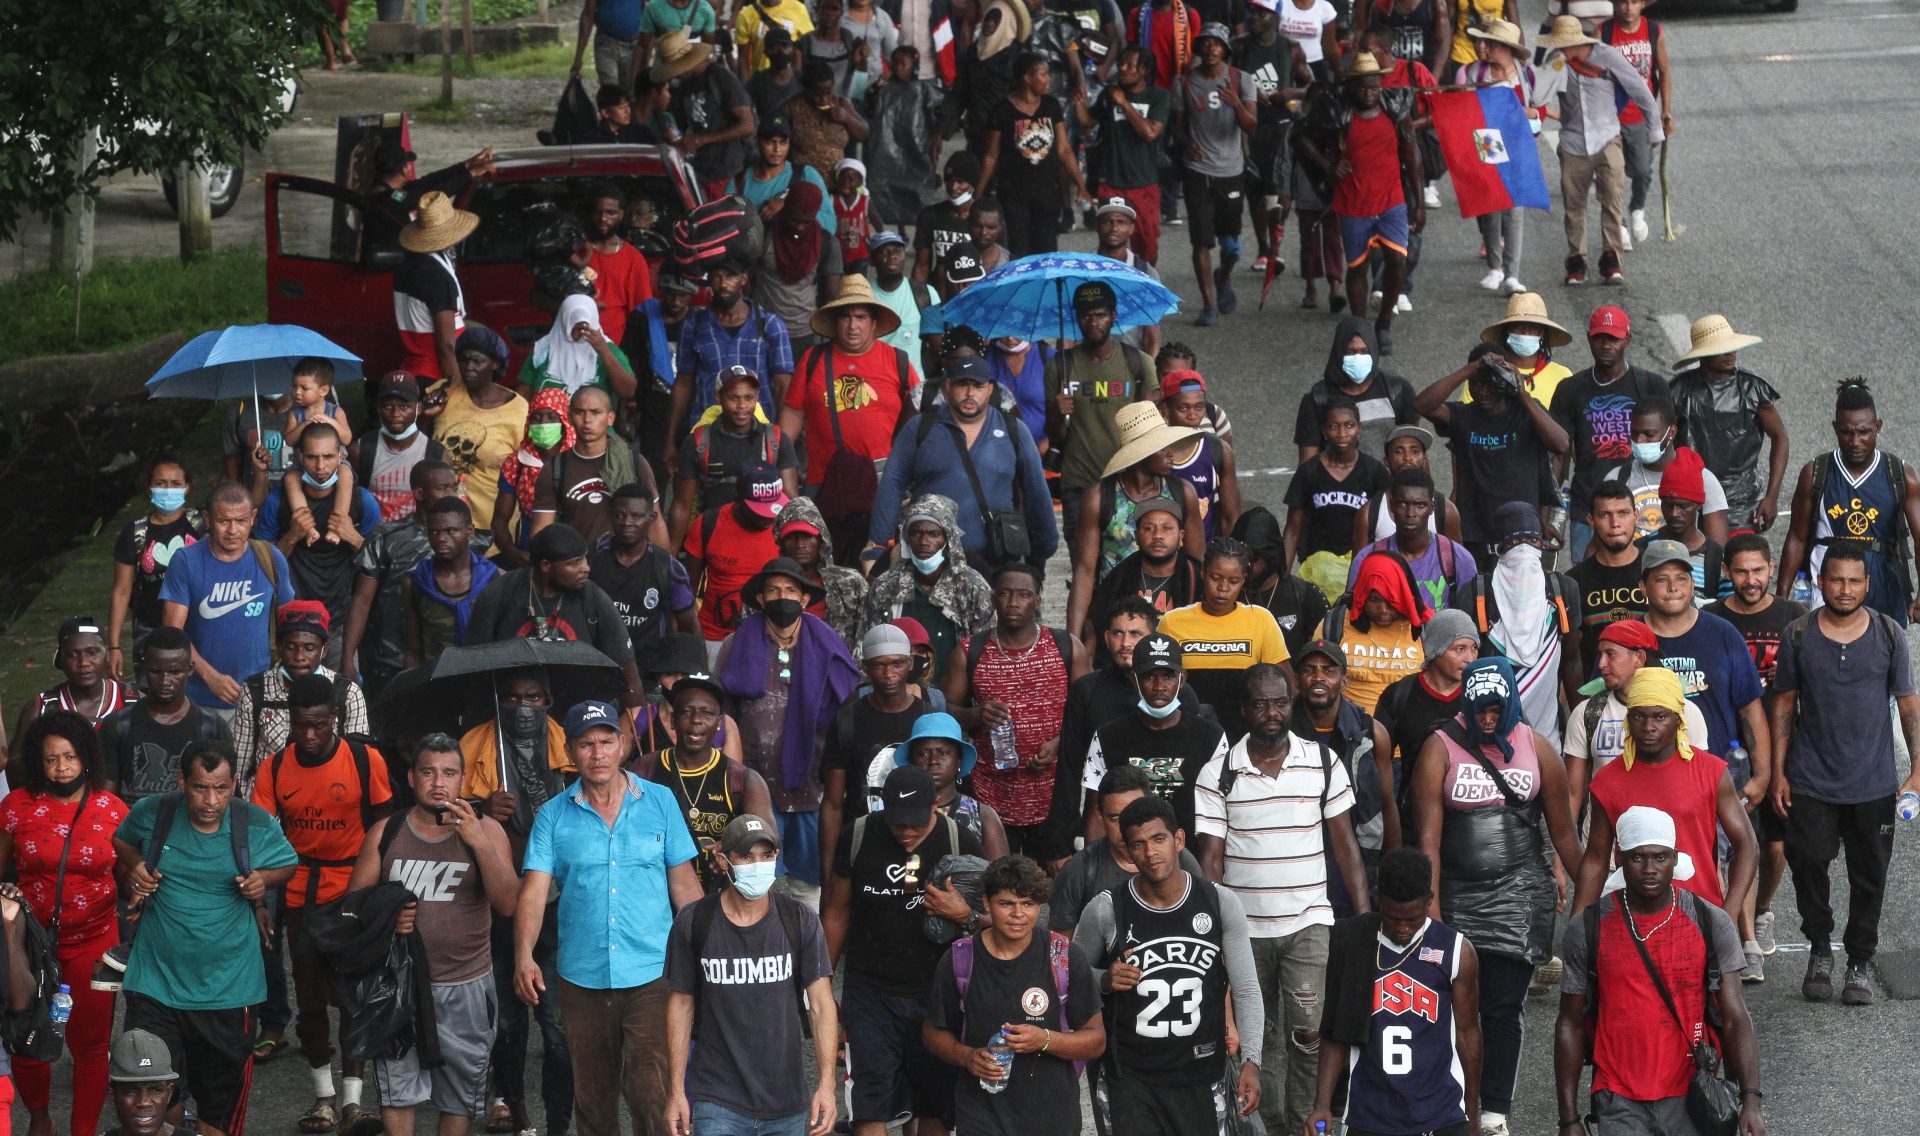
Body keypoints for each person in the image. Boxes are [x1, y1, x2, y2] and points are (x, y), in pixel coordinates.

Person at [1192, 665, 1370, 1136]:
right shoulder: (1219, 772)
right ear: (1244, 709)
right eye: (1261, 704)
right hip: (1244, 929)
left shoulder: (1323, 761)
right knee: (1260, 1037)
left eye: (1280, 703)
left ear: (1291, 705)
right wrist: (1210, 929)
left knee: (1309, 1033)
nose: (1271, 713)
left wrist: (1365, 917)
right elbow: (1210, 858)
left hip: (1309, 923)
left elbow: (1346, 847)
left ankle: (1307, 1124)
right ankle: (1268, 1128)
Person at [1410, 656, 1581, 1136]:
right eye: (1479, 709)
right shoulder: (1439, 748)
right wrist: (1434, 914)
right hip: (1458, 895)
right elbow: (1428, 841)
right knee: (1450, 1006)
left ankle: (1493, 1112)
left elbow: (1566, 837)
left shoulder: (1537, 747)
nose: (1487, 718)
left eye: (1496, 709)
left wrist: (1595, 900)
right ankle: (1453, 1101)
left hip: (1520, 893)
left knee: (1503, 1007)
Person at [514, 700, 702, 1136]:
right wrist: (524, 955)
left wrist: (702, 956)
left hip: (653, 974)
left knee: (654, 1097)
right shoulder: (552, 816)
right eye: (585, 744)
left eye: (605, 741)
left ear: (622, 745)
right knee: (593, 1100)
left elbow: (685, 887)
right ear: (569, 750)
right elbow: (534, 892)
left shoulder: (660, 801)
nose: (596, 753)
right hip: (582, 978)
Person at [113, 740, 299, 1136]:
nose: (210, 800)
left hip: (230, 992)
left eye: (221, 788)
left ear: (234, 784)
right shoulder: (155, 813)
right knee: (153, 1099)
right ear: (182, 781)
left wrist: (261, 882)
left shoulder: (254, 823)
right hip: (155, 985)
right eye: (199, 787)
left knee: (218, 1113)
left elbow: (288, 864)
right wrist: (136, 866)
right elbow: (122, 841)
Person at [347, 734, 520, 1136]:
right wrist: (387, 917)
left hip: (465, 986)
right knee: (398, 1091)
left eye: (449, 773)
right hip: (398, 987)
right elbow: (352, 908)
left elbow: (509, 903)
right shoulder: (386, 832)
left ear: (463, 779)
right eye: (428, 771)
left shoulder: (488, 831)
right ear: (411, 777)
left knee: (459, 1095)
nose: (438, 782)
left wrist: (477, 840)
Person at [1770, 542, 1920, 1006]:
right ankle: (1819, 944)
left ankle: (1858, 960)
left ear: (1868, 585)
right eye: (1836, 580)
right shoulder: (1798, 634)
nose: (1846, 589)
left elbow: (1910, 707)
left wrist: (1917, 772)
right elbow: (1783, 707)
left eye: (1855, 581)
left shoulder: (1890, 634)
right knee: (1807, 859)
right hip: (1811, 779)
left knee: (1869, 875)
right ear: (1821, 582)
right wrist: (1777, 772)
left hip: (1873, 785)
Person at [1553, 807, 1764, 1136]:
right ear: (1619, 856)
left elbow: (1736, 1015)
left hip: (1691, 1095)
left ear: (1676, 858)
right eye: (1638, 858)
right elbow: (1570, 1021)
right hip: (1617, 1096)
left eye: (1660, 857)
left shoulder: (1710, 922)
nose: (1650, 869)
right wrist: (1568, 1119)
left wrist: (1750, 1100)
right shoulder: (1588, 927)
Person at [1074, 791, 1264, 1136]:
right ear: (1128, 852)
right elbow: (1066, 978)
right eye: (1138, 844)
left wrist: (1252, 1060)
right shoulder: (1106, 909)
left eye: (1158, 839)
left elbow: (1247, 989)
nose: (1150, 853)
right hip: (1130, 1076)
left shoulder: (1219, 902)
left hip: (1202, 1074)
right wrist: (1103, 979)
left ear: (1178, 839)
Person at [250, 673, 393, 1132]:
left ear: (335, 717)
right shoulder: (273, 768)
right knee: (309, 999)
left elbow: (386, 830)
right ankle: (323, 1097)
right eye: (299, 725)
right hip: (301, 895)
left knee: (353, 998)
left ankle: (353, 1100)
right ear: (289, 720)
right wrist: (261, 903)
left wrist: (378, 897)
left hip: (354, 889)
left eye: (318, 725)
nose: (309, 736)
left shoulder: (365, 761)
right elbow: (259, 839)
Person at [823, 763, 983, 1136]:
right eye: (897, 822)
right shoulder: (859, 836)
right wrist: (822, 986)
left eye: (915, 822)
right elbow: (836, 912)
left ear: (936, 805)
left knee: (935, 1103)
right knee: (869, 1100)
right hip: (869, 991)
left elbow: (1003, 917)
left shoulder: (961, 841)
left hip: (938, 994)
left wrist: (966, 915)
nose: (906, 831)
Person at [663, 814, 839, 1136]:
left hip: (786, 1102)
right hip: (717, 1100)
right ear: (723, 859)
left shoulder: (799, 920)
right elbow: (680, 1005)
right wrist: (676, 1091)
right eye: (746, 855)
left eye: (766, 855)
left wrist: (827, 1085)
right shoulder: (694, 922)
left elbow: (822, 1004)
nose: (758, 864)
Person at [458, 672, 576, 1136]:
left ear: (549, 700)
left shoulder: (570, 746)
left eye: (533, 697)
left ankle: (561, 1120)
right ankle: (510, 1103)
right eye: (511, 697)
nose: (523, 705)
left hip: (559, 903)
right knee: (505, 1019)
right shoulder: (474, 744)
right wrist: (484, 810)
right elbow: (451, 815)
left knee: (557, 1027)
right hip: (498, 902)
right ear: (497, 701)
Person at [0, 711, 129, 1136]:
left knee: (90, 1047)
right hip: (30, 946)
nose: (61, 768)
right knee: (26, 1036)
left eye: (70, 758)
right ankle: (39, 1117)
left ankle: (83, 1131)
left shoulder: (114, 811)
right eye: (51, 759)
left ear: (86, 758)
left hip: (95, 944)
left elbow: (131, 878)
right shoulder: (15, 806)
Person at [716, 558, 863, 906]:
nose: (782, 597)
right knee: (757, 877)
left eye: (791, 590)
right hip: (755, 781)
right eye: (773, 590)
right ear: (761, 599)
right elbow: (723, 715)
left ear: (805, 599)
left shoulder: (829, 646)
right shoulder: (735, 645)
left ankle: (802, 948)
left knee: (808, 885)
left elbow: (847, 710)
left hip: (812, 785)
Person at [924, 854, 1105, 1136]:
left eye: (1028, 904)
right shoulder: (960, 959)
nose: (1018, 914)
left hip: (1052, 1116)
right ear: (986, 903)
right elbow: (933, 1033)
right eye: (1006, 903)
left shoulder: (1064, 956)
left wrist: (1044, 1039)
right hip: (981, 1114)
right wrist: (967, 1056)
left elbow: (1095, 1041)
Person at [1311, 847, 1482, 1136]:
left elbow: (1468, 1034)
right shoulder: (1353, 941)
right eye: (1392, 918)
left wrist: (1473, 1113)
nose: (1402, 928)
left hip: (1440, 1111)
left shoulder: (1457, 951)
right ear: (1379, 899)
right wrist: (1322, 1105)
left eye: (1412, 919)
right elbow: (1335, 1031)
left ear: (1429, 901)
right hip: (1370, 1112)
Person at [1574, 668, 1757, 929]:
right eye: (1638, 716)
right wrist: (1578, 926)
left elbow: (1747, 844)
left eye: (1659, 717)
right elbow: (1595, 860)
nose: (1648, 727)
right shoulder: (1608, 781)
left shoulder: (1711, 772)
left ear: (1678, 719)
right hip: (1629, 925)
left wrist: (1729, 912)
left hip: (1699, 920)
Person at [1706, 533, 1804, 975]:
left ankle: (1762, 909)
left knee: (1776, 846)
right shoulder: (1712, 621)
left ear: (1770, 569)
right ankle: (1744, 936)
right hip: (1731, 751)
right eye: (1741, 571)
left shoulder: (1793, 617)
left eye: (1758, 570)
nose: (1751, 580)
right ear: (1727, 572)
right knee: (1735, 844)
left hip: (1785, 747)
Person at [945, 561, 1088, 860]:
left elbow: (1087, 713)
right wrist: (975, 714)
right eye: (1006, 594)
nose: (1013, 603)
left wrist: (1058, 744)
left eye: (1023, 594)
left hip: (1054, 793)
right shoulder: (970, 651)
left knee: (1052, 886)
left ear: (1037, 601)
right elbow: (944, 711)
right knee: (998, 880)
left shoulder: (1066, 646)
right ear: (993, 597)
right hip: (990, 793)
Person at [872, 355, 1059, 570]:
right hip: (929, 562)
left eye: (978, 386)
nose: (970, 394)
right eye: (963, 385)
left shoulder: (1014, 430)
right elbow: (892, 483)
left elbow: (1036, 488)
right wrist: (878, 543)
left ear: (990, 390)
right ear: (947, 387)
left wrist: (1045, 545)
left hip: (995, 560)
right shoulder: (919, 428)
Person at [1777, 378, 1920, 625]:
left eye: (1864, 432)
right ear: (1835, 428)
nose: (1855, 442)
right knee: (1825, 658)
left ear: (1878, 426)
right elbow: (1797, 537)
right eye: (1847, 432)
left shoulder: (1900, 474)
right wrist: (1780, 599)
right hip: (1829, 584)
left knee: (1882, 659)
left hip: (1883, 584)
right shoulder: (1815, 473)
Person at [779, 277, 921, 522]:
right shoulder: (813, 360)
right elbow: (784, 436)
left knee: (879, 556)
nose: (853, 325)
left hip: (884, 483)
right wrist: (790, 490)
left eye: (861, 317)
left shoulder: (897, 361)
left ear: (874, 323)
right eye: (845, 317)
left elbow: (920, 423)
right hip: (823, 483)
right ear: (835, 322)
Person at [1535, 15, 1662, 286]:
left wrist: (1655, 129)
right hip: (1572, 143)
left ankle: (1611, 257)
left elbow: (1639, 90)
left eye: (1563, 45)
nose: (1559, 49)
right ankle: (1577, 258)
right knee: (1574, 206)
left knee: (1612, 200)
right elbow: (1537, 97)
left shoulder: (1608, 57)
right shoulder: (1557, 62)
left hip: (1607, 139)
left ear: (1576, 43)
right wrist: (1551, 72)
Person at [1416, 347, 1570, 566]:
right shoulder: (1462, 415)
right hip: (1475, 535)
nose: (1484, 391)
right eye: (1477, 383)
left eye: (1491, 383)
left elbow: (1561, 444)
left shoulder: (1526, 412)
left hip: (1522, 534)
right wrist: (1471, 369)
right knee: (1478, 597)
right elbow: (1423, 404)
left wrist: (1522, 393)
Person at [466, 523, 644, 705]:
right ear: (546, 565)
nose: (586, 568)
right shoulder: (500, 594)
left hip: (578, 718)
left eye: (584, 559)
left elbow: (627, 669)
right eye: (574, 563)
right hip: (515, 713)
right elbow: (474, 669)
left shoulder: (593, 598)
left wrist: (635, 724)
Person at [158, 481, 295, 718]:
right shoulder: (186, 561)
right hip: (200, 699)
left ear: (253, 518)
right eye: (223, 521)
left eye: (241, 521)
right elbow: (173, 633)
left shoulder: (270, 558)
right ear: (207, 519)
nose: (232, 531)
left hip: (262, 699)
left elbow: (290, 622)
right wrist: (210, 677)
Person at [254, 423, 385, 664]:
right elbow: (261, 566)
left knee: (340, 693)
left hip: (342, 621)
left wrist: (353, 537)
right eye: (313, 457)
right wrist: (292, 536)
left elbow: (382, 562)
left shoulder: (362, 501)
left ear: (341, 457)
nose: (321, 466)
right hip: (291, 619)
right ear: (300, 457)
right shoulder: (277, 502)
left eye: (328, 457)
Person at [1549, 305, 1670, 561]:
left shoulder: (1651, 384)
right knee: (1587, 582)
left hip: (1645, 506)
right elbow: (1559, 454)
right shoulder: (1570, 389)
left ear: (1628, 339)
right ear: (1588, 338)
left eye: (1613, 338)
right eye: (1600, 337)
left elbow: (1671, 445)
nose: (1606, 345)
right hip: (1588, 509)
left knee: (1650, 579)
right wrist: (1548, 508)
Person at [819, 624, 938, 879]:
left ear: (910, 664)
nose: (889, 674)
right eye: (879, 665)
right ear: (866, 668)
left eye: (897, 664)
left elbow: (941, 792)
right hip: (862, 846)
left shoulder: (927, 719)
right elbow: (832, 804)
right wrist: (829, 873)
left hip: (918, 847)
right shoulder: (847, 721)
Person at [1080, 633, 1229, 837]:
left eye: (1168, 676)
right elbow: (1095, 815)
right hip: (1126, 860)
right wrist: (1096, 868)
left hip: (1190, 860)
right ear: (1134, 680)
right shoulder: (1108, 737)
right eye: (1149, 676)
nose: (1159, 686)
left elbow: (1220, 814)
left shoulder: (1210, 737)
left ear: (1182, 679)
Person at [642, 669, 776, 892]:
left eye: (707, 713)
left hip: (721, 899)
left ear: (719, 723)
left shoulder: (743, 779)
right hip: (656, 898)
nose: (696, 720)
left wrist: (732, 844)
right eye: (686, 712)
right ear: (673, 720)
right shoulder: (645, 769)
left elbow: (769, 837)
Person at [1045, 282, 1155, 554]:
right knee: (1083, 565)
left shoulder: (1138, 362)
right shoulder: (1059, 366)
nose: (1093, 322)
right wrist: (1058, 414)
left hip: (1127, 484)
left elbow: (1152, 428)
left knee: (1128, 564)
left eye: (1101, 315)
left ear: (1114, 316)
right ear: (1077, 318)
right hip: (1078, 484)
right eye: (1085, 315)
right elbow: (1055, 435)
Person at [1641, 538, 1769, 767]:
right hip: (1649, 779)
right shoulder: (1627, 638)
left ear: (1692, 586)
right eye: (1661, 579)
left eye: (1681, 578)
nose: (1673, 587)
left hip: (1718, 777)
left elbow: (1750, 708)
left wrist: (1761, 775)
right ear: (1643, 587)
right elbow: (1601, 709)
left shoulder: (1723, 633)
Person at [341, 459, 462, 695]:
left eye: (453, 487)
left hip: (447, 661)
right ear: (418, 492)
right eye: (442, 488)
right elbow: (362, 601)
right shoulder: (387, 538)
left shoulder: (468, 539)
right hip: (387, 660)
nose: (451, 495)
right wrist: (347, 660)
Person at [1292, 638, 1401, 898]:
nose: (1318, 677)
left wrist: (1393, 869)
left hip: (1356, 865)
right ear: (1296, 680)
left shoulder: (1371, 732)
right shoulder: (1281, 732)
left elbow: (1386, 804)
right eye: (1309, 669)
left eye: (1329, 671)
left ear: (1344, 681)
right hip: (1297, 868)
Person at [1467, 504, 1583, 744]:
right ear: (1498, 548)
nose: (1523, 550)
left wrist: (1580, 727)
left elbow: (1572, 660)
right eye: (1513, 542)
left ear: (1541, 545)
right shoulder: (1477, 594)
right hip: (1490, 737)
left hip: (1548, 737)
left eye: (1530, 540)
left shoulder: (1563, 591)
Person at [1561, 619, 1707, 809]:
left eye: (1610, 654)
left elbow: (1701, 785)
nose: (1601, 664)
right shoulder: (1587, 713)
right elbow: (1572, 793)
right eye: (1600, 655)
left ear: (1639, 658)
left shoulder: (1684, 711)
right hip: (1602, 835)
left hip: (1667, 835)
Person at [230, 602, 371, 795]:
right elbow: (240, 764)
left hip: (328, 799)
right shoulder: (255, 691)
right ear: (279, 647)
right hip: (267, 802)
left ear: (324, 650)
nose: (299, 656)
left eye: (309, 648)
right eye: (291, 647)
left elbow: (359, 764)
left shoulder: (347, 693)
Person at [1159, 539, 1292, 741]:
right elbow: (1158, 681)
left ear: (1244, 579)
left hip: (1245, 739)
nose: (1223, 588)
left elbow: (1285, 684)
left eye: (1233, 581)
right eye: (1216, 578)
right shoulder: (1172, 622)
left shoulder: (1261, 620)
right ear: (1203, 572)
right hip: (1188, 736)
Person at [1170, 24, 1258, 325]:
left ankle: (1224, 277)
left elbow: (1252, 127)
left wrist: (1236, 105)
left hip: (1231, 171)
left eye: (1216, 44)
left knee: (1231, 246)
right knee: (1202, 241)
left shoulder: (1242, 80)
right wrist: (1186, 144)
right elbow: (1177, 127)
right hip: (1197, 171)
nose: (1210, 49)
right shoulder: (1183, 83)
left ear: (1226, 50)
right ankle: (1209, 306)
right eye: (1205, 43)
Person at [862, 495, 997, 686]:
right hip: (896, 695)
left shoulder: (971, 585)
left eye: (934, 534)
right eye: (916, 533)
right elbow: (868, 643)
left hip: (957, 697)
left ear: (947, 539)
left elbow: (987, 651)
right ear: (906, 538)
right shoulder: (886, 585)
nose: (924, 541)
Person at [1053, 762, 1205, 932]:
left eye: (1135, 814)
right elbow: (1058, 947)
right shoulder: (1080, 871)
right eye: (1115, 818)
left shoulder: (1180, 859)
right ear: (1099, 814)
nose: (1125, 828)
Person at [1670, 315, 1787, 532]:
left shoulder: (1753, 388)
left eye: (1731, 347)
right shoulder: (1679, 391)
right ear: (1704, 354)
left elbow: (1780, 436)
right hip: (1690, 498)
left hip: (1742, 502)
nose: (1731, 352)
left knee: (1741, 563)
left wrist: (1771, 497)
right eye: (1722, 348)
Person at [668, 258, 796, 446]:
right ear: (709, 280)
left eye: (730, 276)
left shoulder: (770, 325)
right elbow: (683, 384)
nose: (723, 284)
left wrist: (781, 442)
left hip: (758, 434)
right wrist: (670, 440)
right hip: (707, 435)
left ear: (743, 279)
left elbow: (783, 386)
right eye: (717, 277)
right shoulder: (694, 326)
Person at [669, 365, 800, 548]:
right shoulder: (698, 443)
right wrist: (671, 556)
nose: (742, 406)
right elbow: (682, 506)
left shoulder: (775, 440)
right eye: (733, 398)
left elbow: (791, 499)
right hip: (715, 540)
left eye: (749, 398)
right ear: (718, 398)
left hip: (765, 540)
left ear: (757, 397)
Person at [1371, 608, 1479, 827]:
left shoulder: (1483, 693)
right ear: (1434, 650)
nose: (1470, 658)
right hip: (1414, 821)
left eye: (1474, 648)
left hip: (1474, 825)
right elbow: (1377, 764)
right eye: (1459, 649)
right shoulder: (1399, 695)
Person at [979, 52, 1093, 256]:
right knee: (1019, 249)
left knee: (1047, 250)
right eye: (1043, 74)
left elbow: (1064, 149)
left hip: (1047, 192)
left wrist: (1081, 185)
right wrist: (977, 194)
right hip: (1013, 193)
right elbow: (991, 156)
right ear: (1027, 78)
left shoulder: (1051, 106)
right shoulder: (1001, 110)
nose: (1049, 79)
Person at [101, 627, 232, 804]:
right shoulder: (118, 725)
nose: (165, 681)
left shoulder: (211, 727)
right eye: (156, 672)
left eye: (174, 672)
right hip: (133, 827)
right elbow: (106, 800)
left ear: (190, 669)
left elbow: (225, 795)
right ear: (144, 666)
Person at [425, 325, 528, 536]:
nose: (468, 367)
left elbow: (526, 469)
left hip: (492, 527)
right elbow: (420, 445)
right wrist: (425, 413)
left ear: (495, 364)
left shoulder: (518, 409)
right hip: (444, 527)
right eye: (463, 360)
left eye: (477, 361)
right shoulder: (444, 392)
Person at [109, 454, 205, 678]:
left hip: (199, 626)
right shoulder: (135, 533)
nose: (168, 489)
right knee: (153, 693)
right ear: (149, 487)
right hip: (151, 628)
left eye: (175, 484)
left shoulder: (201, 526)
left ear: (187, 487)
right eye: (161, 483)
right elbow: (122, 591)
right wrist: (113, 646)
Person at [1284, 397, 1393, 586]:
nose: (1342, 433)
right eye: (1334, 426)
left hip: (1362, 568)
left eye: (1349, 425)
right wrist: (1282, 578)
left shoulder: (1374, 472)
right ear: (1324, 431)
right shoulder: (1309, 472)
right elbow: (1292, 530)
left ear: (1359, 428)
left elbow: (1389, 525)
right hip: (1317, 572)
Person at [682, 462, 788, 655]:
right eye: (758, 510)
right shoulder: (708, 524)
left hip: (768, 640)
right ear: (739, 500)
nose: (767, 518)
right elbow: (686, 589)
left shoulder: (786, 528)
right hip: (713, 639)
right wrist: (691, 638)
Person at [529, 386, 655, 547]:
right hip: (577, 565)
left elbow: (654, 523)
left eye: (596, 412)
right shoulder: (555, 469)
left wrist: (663, 568)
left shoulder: (634, 463)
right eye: (580, 412)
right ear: (569, 417)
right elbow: (542, 529)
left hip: (626, 564)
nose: (587, 420)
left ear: (610, 418)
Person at [1598, 394, 1732, 544]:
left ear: (1671, 432)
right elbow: (1599, 542)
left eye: (1649, 434)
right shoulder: (1617, 478)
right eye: (1634, 433)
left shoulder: (1702, 478)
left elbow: (1718, 547)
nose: (1640, 440)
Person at [1597, 0, 1674, 252]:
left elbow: (1663, 72)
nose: (1628, 8)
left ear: (1642, 5)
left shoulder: (1653, 31)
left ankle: (1637, 208)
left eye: (1633, 2)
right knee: (1612, 174)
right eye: (1622, 2)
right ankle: (1618, 224)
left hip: (1641, 116)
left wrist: (1665, 111)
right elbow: (1593, 74)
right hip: (1611, 119)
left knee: (1641, 170)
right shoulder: (1604, 32)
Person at [1083, 47, 1171, 264]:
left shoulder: (1158, 96)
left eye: (1130, 65)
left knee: (1147, 246)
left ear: (1144, 71)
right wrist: (1077, 97)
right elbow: (1087, 122)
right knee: (1110, 243)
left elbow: (1150, 133)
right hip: (1111, 182)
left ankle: (1145, 288)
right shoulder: (1108, 95)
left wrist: (1123, 102)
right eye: (1121, 63)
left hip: (1144, 183)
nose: (1122, 68)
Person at [1078, 496, 1203, 649]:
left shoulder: (1197, 577)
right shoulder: (1118, 578)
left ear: (1181, 537)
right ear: (1136, 537)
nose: (1157, 535)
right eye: (1148, 528)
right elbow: (1098, 626)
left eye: (1167, 528)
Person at [589, 484, 696, 660]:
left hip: (650, 670)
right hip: (598, 665)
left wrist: (693, 671)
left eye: (636, 516)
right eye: (619, 515)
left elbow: (690, 625)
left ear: (651, 518)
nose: (626, 523)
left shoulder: (668, 567)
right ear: (610, 515)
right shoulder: (592, 557)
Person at [1294, 319, 1419, 467]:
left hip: (1388, 485)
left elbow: (1414, 448)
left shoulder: (1397, 390)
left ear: (1373, 351)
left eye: (1364, 351)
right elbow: (1308, 462)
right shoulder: (1318, 398)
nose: (1357, 358)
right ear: (1338, 352)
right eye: (1350, 352)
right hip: (1339, 485)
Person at [1350, 468, 1476, 613]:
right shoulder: (1367, 559)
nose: (1410, 513)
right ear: (1391, 506)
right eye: (1402, 504)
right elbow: (1353, 614)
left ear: (1431, 508)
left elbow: (1470, 620)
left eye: (1419, 505)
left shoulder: (1457, 558)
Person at [895, 711, 1012, 857]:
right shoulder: (896, 813)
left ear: (959, 760)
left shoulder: (982, 816)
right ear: (912, 760)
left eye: (943, 753)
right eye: (923, 754)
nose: (933, 761)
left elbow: (1001, 875)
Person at [657, 32, 757, 197]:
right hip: (700, 171)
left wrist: (702, 139)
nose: (675, 74)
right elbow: (679, 126)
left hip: (726, 170)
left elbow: (747, 125)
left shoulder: (719, 77)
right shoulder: (684, 86)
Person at [403, 496, 500, 666]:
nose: (441, 538)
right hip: (435, 681)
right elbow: (413, 649)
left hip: (481, 680)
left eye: (451, 531)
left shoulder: (494, 579)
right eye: (434, 532)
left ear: (470, 531)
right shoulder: (416, 583)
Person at [13, 616, 138, 746]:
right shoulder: (42, 708)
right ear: (60, 659)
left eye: (92, 652)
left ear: (106, 655)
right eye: (73, 654)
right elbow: (17, 762)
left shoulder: (133, 701)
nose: (83, 663)